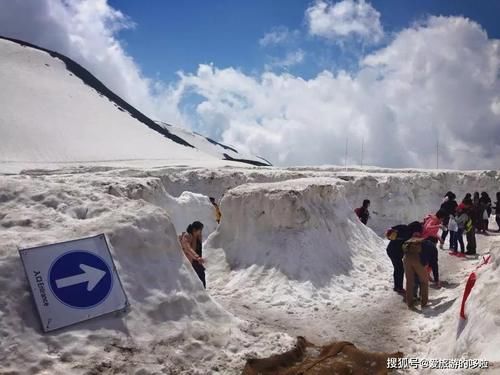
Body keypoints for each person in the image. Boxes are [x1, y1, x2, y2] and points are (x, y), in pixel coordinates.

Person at [385, 221, 423, 294]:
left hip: (394, 251)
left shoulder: (406, 230)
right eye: (417, 232)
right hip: (394, 252)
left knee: (398, 268)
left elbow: (391, 229)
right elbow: (390, 230)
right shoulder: (406, 231)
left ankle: (397, 287)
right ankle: (398, 288)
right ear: (414, 229)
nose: (417, 234)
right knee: (399, 269)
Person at [180, 221, 206, 288]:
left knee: (201, 277)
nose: (200, 232)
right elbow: (188, 248)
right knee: (196, 279)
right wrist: (197, 257)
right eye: (200, 230)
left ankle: (203, 294)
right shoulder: (187, 236)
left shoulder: (197, 236)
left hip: (197, 261)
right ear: (194, 229)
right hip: (191, 261)